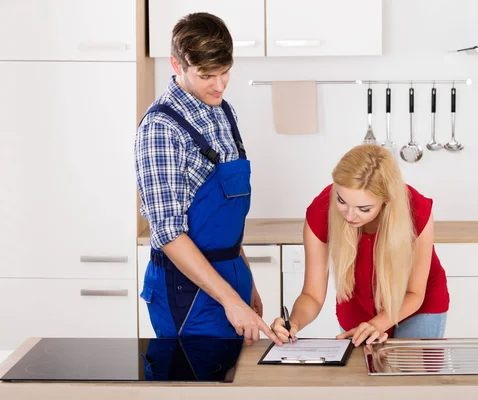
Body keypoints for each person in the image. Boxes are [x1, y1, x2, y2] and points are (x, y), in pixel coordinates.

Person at [135, 12, 281, 346]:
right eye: (206, 75)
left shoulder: (223, 111)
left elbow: (224, 217)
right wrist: (230, 299)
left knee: (236, 384)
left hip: (230, 278)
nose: (219, 85)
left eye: (225, 72)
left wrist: (245, 282)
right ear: (176, 65)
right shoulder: (161, 129)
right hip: (187, 292)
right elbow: (169, 233)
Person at [271, 144, 449, 346]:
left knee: (410, 376)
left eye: (363, 208)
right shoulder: (320, 211)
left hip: (415, 305)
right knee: (360, 376)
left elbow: (415, 293)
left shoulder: (415, 210)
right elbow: (312, 294)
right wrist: (293, 323)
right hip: (358, 303)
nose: (349, 215)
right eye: (341, 200)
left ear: (386, 200)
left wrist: (378, 323)